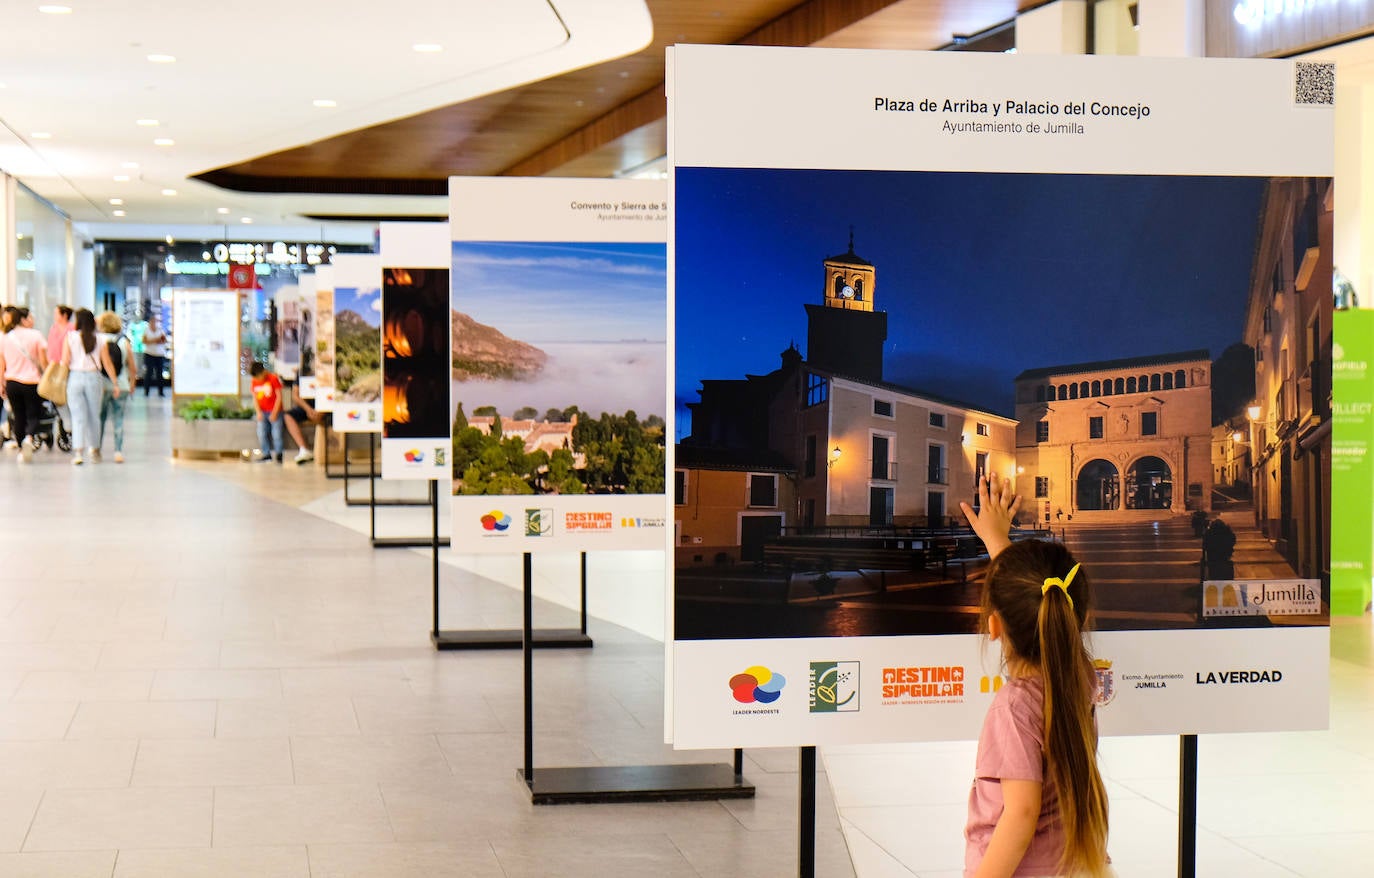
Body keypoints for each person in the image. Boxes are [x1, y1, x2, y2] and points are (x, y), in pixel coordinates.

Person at [959, 475, 1110, 878]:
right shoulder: (1079, 675)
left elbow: (1021, 814)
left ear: (993, 626)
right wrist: (998, 543)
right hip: (1075, 861)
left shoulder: (1014, 706)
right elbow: (1043, 593)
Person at [62, 308, 120, 466]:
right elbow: (107, 363)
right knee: (94, 415)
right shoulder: (100, 339)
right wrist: (115, 383)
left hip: (75, 377)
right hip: (93, 377)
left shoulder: (70, 337)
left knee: (77, 416)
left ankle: (78, 452)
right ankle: (94, 450)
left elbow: (65, 361)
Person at [0, 306, 50, 462]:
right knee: (33, 414)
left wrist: (1, 383)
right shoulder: (36, 335)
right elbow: (43, 361)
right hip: (32, 382)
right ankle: (29, 438)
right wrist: (48, 376)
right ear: (22, 319)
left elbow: (2, 364)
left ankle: (22, 447)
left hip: (12, 382)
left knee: (18, 415)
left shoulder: (5, 337)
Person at [96, 310, 137, 463]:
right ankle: (118, 451)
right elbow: (132, 367)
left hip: (102, 386)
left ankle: (97, 450)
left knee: (100, 418)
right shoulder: (124, 342)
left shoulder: (99, 341)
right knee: (118, 419)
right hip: (122, 385)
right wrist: (132, 384)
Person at [250, 362, 285, 463]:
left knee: (277, 433)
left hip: (275, 412)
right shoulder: (254, 381)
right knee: (261, 433)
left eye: (259, 376)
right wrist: (258, 412)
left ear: (263, 372)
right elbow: (255, 398)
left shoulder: (273, 378)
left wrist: (274, 412)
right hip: (262, 412)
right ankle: (266, 454)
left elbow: (279, 397)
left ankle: (279, 454)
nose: (258, 379)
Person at [283, 388, 322, 464]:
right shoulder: (300, 379)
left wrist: (322, 411)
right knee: (288, 416)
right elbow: (295, 395)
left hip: (327, 406)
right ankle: (304, 449)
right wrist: (308, 409)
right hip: (307, 406)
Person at [143, 314, 168, 396]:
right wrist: (156, 340)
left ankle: (161, 392)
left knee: (159, 374)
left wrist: (152, 341)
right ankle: (146, 391)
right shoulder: (147, 330)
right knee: (148, 373)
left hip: (159, 355)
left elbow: (164, 340)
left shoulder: (160, 330)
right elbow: (144, 341)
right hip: (149, 354)